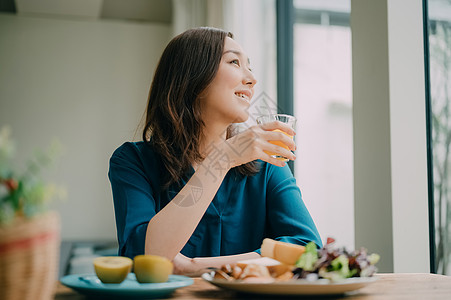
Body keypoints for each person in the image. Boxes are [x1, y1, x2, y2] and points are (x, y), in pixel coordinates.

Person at [108, 27, 321, 275]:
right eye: (234, 62)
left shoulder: (267, 166)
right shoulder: (133, 162)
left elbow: (309, 251)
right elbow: (146, 256)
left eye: (249, 66)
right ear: (193, 79)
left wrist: (196, 266)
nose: (252, 79)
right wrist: (222, 159)